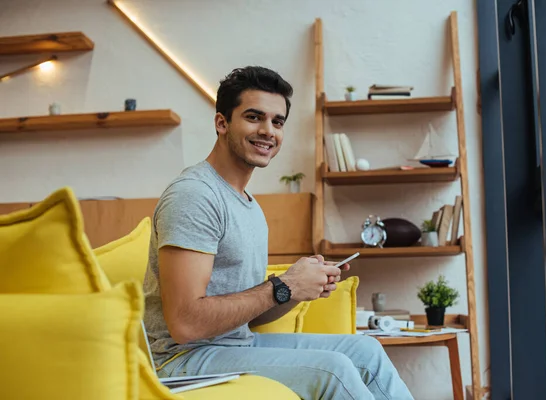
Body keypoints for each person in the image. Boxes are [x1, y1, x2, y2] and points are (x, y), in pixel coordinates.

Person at [143, 66, 415, 400]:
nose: (268, 131)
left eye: (277, 121)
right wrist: (283, 286)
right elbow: (185, 324)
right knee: (335, 369)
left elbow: (248, 317)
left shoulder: (248, 206)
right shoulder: (195, 196)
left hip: (232, 344)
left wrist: (297, 289)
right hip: (181, 359)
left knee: (366, 351)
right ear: (221, 123)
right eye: (254, 117)